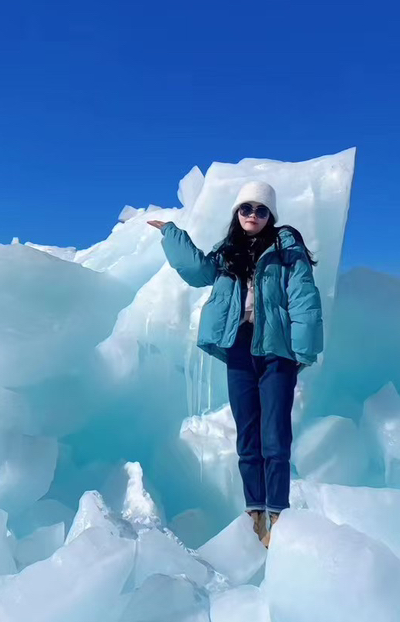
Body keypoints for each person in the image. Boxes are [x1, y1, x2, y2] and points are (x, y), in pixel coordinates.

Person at [148, 181, 323, 546]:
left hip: (277, 349)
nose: (253, 216)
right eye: (246, 209)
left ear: (270, 215)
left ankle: (278, 514)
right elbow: (197, 272)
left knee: (275, 435)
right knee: (247, 433)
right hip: (239, 345)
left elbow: (304, 297)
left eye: (261, 210)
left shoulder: (287, 250)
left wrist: (304, 350)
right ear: (237, 213)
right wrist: (171, 233)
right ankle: (254, 512)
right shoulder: (226, 253)